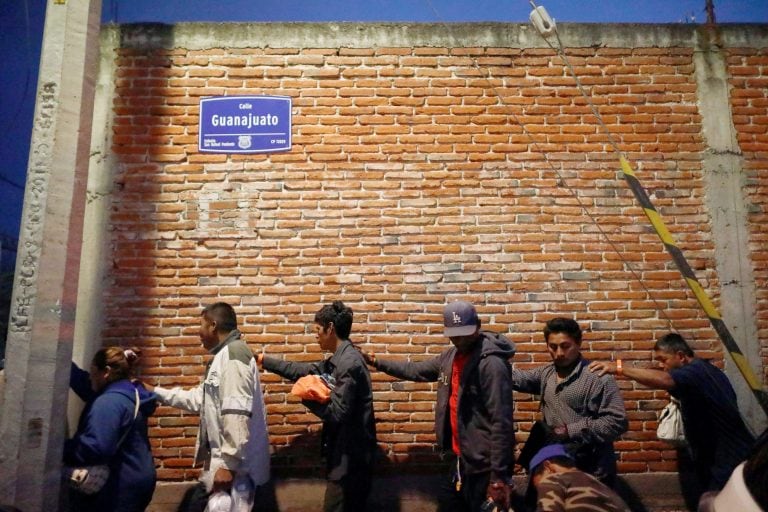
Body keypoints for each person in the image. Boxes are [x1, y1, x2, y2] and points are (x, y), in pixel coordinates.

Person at [362, 300, 515, 511]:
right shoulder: (450, 357)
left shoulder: (491, 364)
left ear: (478, 326)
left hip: (484, 467)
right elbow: (416, 370)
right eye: (454, 334)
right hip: (459, 460)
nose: (459, 339)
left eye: (465, 333)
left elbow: (502, 422)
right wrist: (376, 361)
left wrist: (498, 477)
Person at [589, 332, 756, 503]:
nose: (661, 365)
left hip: (727, 459)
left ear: (681, 356)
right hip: (720, 458)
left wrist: (619, 368)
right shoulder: (705, 371)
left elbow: (666, 380)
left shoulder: (696, 372)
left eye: (663, 360)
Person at [147, 302, 270, 512]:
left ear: (213, 325)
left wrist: (228, 465)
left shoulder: (233, 354)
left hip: (236, 470)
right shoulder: (223, 357)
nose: (199, 334)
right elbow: (200, 399)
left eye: (201, 326)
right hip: (228, 466)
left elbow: (236, 411)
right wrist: (155, 391)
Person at [256, 300, 376, 512]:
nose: (315, 335)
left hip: (351, 461)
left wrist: (307, 394)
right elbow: (301, 370)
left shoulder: (349, 363)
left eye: (318, 330)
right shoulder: (338, 360)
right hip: (344, 457)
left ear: (330, 328)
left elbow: (338, 413)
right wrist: (263, 360)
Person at [512, 317, 627, 487]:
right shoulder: (547, 374)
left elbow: (617, 422)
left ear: (578, 343)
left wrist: (569, 430)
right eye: (553, 347)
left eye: (565, 346)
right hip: (556, 467)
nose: (559, 353)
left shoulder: (598, 378)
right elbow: (519, 378)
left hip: (591, 471)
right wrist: (489, 357)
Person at [65, 347, 157, 512]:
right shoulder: (130, 394)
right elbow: (85, 384)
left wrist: (61, 448)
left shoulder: (109, 402)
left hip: (118, 486)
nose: (90, 377)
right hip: (137, 479)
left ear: (106, 372)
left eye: (93, 371)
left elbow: (97, 447)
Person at [528, 444, 631, 512]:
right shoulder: (606, 490)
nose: (539, 491)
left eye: (537, 485)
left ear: (547, 467)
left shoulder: (553, 479)